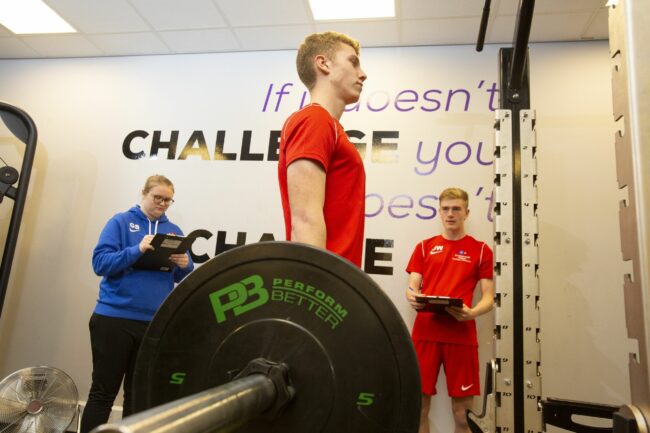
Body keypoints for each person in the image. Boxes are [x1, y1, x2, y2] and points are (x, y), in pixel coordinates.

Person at [80, 175, 194, 433]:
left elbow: (178, 276)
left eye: (168, 200)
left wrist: (186, 266)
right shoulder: (120, 222)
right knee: (103, 393)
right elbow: (100, 264)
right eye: (158, 198)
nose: (163, 204)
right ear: (143, 194)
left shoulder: (173, 230)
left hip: (152, 323)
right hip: (114, 320)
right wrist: (137, 250)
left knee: (137, 396)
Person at [405, 187, 495, 433]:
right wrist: (413, 297)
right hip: (425, 334)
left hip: (461, 335)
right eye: (445, 209)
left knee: (463, 416)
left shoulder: (481, 250)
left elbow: (489, 296)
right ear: (439, 212)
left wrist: (473, 312)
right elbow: (412, 286)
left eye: (456, 209)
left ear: (467, 212)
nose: (450, 214)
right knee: (418, 409)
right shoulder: (424, 247)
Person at [278, 32, 367, 267]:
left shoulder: (330, 126)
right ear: (323, 63)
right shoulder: (314, 119)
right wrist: (319, 288)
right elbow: (305, 219)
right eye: (353, 62)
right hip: (325, 286)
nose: (363, 74)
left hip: (339, 278)